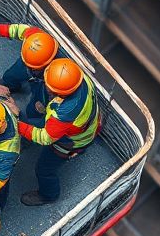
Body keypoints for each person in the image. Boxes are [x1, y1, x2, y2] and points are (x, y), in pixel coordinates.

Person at [17, 58, 101, 206]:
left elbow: (45, 138)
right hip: (89, 126)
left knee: (44, 169)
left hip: (71, 143)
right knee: (32, 125)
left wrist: (16, 125)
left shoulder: (64, 115)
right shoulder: (82, 80)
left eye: (50, 88)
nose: (47, 88)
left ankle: (49, 195)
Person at [0, 23, 58, 101]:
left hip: (46, 76)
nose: (31, 68)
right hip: (24, 62)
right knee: (10, 77)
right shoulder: (32, 34)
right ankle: (10, 86)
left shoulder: (59, 66)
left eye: (35, 67)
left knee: (41, 98)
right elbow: (17, 30)